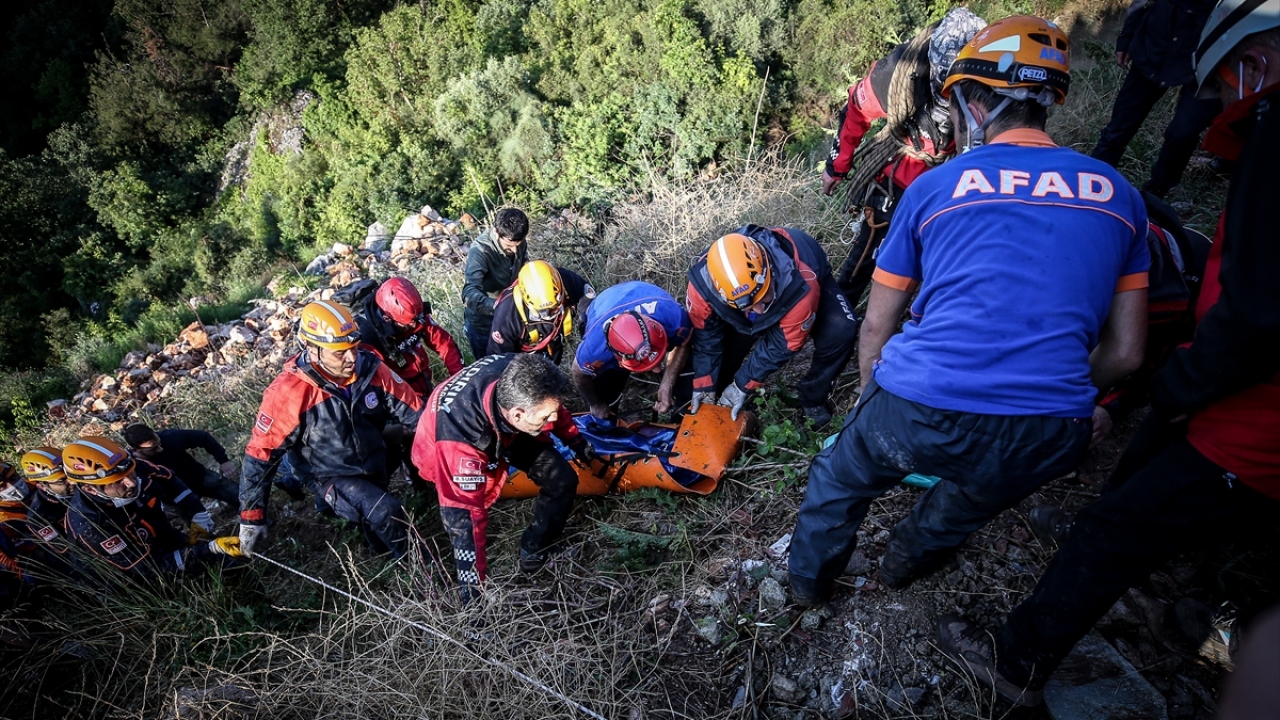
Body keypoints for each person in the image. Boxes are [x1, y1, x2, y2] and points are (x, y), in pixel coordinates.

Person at [934, 2, 1280, 707]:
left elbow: (1247, 311)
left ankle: (1016, 661)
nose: (1210, 106)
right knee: (1148, 455)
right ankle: (1154, 564)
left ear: (1256, 64)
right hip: (1215, 373)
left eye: (1213, 89)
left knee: (1113, 533)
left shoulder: (1277, 139)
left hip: (1245, 414)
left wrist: (1161, 386)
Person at [788, 16, 1151, 608]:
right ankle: (901, 567)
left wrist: (869, 395)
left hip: (922, 402)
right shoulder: (1120, 195)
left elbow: (878, 321)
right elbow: (1128, 352)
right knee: (968, 499)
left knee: (839, 480)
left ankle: (806, 587)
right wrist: (1054, 390)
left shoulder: (934, 188)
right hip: (1050, 428)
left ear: (970, 102)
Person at [821, 8, 988, 304]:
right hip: (898, 176)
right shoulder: (896, 76)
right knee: (866, 256)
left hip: (949, 178)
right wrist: (837, 166)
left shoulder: (992, 78)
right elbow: (856, 110)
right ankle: (842, 315)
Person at [237, 301, 424, 559]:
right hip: (328, 474)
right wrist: (252, 517)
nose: (351, 358)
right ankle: (424, 569)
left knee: (375, 507)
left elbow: (416, 413)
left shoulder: (370, 368)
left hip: (371, 458)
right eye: (340, 353)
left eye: (354, 348)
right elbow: (260, 455)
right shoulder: (288, 393)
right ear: (313, 350)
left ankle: (379, 550)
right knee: (385, 510)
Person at [411, 353, 594, 601]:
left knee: (562, 479)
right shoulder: (460, 440)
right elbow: (465, 520)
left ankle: (534, 550)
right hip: (442, 443)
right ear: (518, 414)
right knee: (468, 514)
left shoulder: (522, 374)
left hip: (503, 428)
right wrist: (472, 597)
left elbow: (553, 407)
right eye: (545, 417)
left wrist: (576, 441)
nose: (553, 418)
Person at [685, 225, 859, 427]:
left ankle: (812, 397)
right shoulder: (701, 288)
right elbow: (705, 337)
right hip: (745, 304)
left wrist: (743, 385)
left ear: (768, 269)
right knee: (730, 343)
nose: (759, 310)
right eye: (751, 306)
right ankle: (719, 386)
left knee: (841, 330)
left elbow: (781, 346)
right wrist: (705, 383)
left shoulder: (802, 285)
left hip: (798, 291)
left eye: (762, 297)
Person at [1091, 0, 1221, 197]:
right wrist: (1127, 37)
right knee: (1120, 126)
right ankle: (1090, 181)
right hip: (1155, 45)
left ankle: (1156, 193)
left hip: (1209, 58)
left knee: (1183, 133)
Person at [62, 437, 241, 580]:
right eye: (117, 482)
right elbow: (149, 568)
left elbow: (170, 480)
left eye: (130, 473)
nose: (131, 482)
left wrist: (197, 513)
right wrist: (207, 550)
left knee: (232, 562)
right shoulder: (89, 524)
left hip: (162, 539)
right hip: (134, 578)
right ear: (89, 488)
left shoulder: (129, 467)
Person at [572, 280, 693, 418]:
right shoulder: (595, 350)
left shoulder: (673, 318)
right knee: (606, 393)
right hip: (605, 303)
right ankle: (610, 419)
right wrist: (596, 403)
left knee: (686, 376)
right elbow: (578, 373)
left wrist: (667, 383)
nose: (658, 369)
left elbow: (684, 343)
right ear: (619, 360)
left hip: (640, 291)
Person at [356, 276, 465, 398]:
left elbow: (445, 345)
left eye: (415, 320)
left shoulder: (415, 314)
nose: (414, 325)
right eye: (407, 324)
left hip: (424, 380)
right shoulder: (368, 339)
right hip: (400, 396)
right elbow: (378, 383)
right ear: (387, 319)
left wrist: (461, 380)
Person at [486, 260, 595, 365]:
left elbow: (592, 308)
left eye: (553, 309)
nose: (548, 315)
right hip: (523, 358)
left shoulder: (568, 281)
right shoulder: (506, 314)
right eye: (542, 312)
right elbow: (499, 360)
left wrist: (587, 337)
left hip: (554, 344)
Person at [462, 208, 529, 359]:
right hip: (484, 326)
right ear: (497, 232)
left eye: (520, 244)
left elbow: (524, 267)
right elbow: (468, 294)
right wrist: (500, 306)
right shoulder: (480, 251)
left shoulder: (517, 241)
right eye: (510, 245)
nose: (515, 250)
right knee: (492, 374)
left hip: (512, 321)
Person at [121, 422, 240, 507]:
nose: (160, 449)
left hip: (200, 478)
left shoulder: (170, 437)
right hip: (178, 498)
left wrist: (224, 461)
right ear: (137, 450)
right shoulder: (134, 466)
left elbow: (203, 437)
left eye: (159, 443)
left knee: (243, 498)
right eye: (153, 448)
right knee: (200, 530)